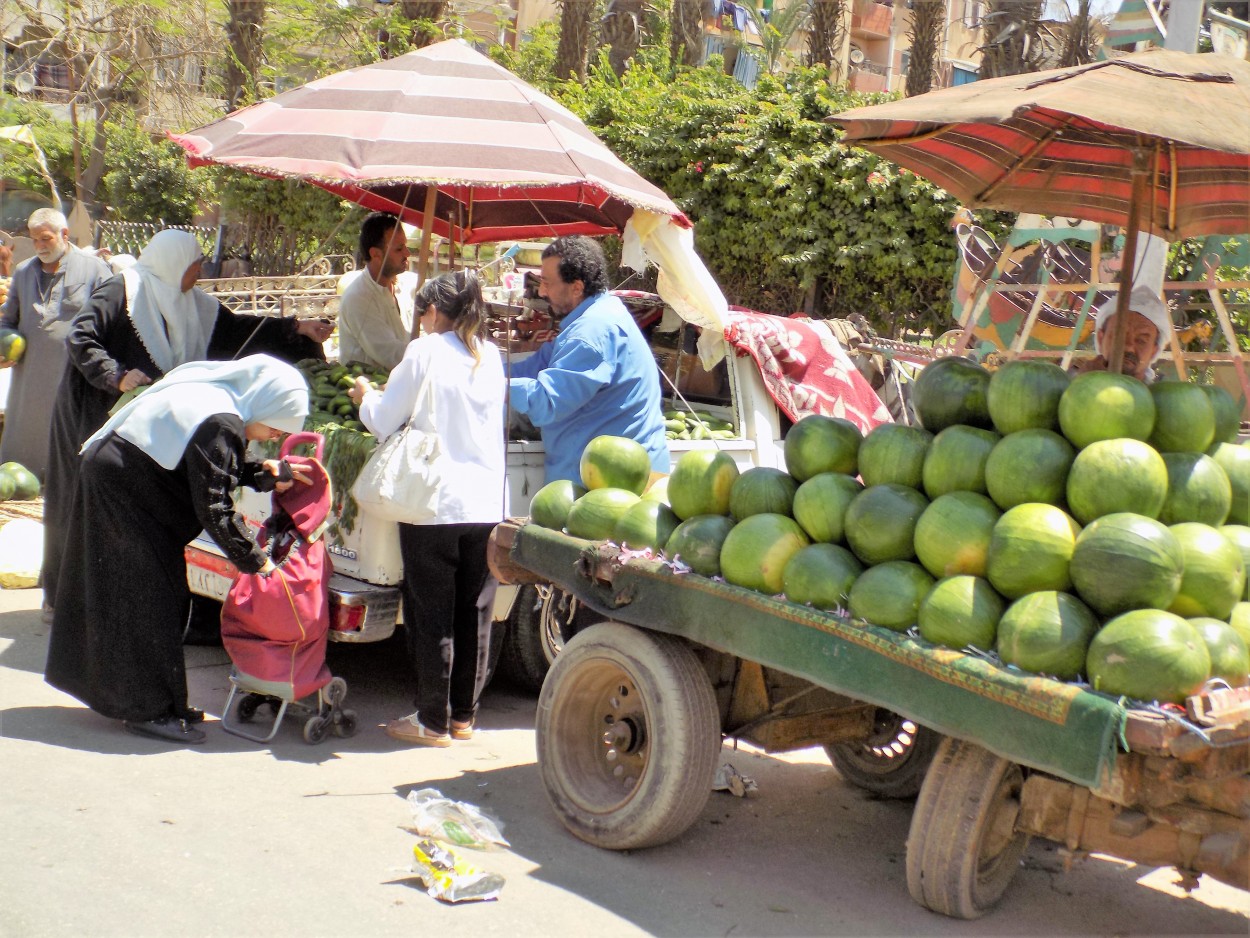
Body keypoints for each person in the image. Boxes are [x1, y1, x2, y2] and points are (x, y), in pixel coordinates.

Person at [39, 229, 333, 619]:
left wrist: (295, 329)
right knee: (82, 503)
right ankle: (65, 598)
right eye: (194, 266)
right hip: (94, 411)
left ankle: (107, 603)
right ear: (172, 262)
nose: (197, 274)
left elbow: (236, 329)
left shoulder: (191, 304)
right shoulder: (122, 289)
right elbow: (81, 336)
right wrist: (117, 374)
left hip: (149, 429)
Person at [44, 355, 311, 745]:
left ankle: (164, 703)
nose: (270, 437)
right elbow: (215, 504)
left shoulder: (219, 402)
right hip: (122, 496)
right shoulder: (221, 419)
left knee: (159, 597)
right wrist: (260, 564)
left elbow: (209, 466)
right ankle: (148, 712)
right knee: (147, 602)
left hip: (125, 488)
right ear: (264, 403)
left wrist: (269, 475)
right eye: (274, 428)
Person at [349, 270, 506, 747]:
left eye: (422, 312)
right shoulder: (492, 355)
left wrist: (363, 396)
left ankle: (431, 721)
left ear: (433, 311)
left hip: (434, 503)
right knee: (474, 612)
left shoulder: (425, 351)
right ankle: (463, 718)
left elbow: (382, 420)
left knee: (431, 613)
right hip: (485, 502)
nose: (420, 321)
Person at [507, 235, 669, 485]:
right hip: (610, 477)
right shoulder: (597, 315)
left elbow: (548, 401)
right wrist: (483, 369)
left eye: (548, 283)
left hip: (618, 483)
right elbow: (540, 363)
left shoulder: (592, 331)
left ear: (577, 287)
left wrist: (495, 387)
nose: (541, 291)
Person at [0, 209, 112, 479]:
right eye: (34, 239)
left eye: (46, 239)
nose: (39, 246)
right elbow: (7, 320)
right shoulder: (25, 271)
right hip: (30, 379)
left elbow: (112, 320)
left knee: (68, 442)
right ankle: (25, 483)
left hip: (74, 376)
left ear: (64, 234)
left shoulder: (95, 270)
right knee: (25, 449)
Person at [337, 212, 414, 370]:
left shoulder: (404, 284)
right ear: (376, 254)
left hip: (396, 383)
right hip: (364, 389)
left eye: (405, 246)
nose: (407, 253)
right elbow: (392, 355)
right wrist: (433, 355)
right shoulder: (358, 298)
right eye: (399, 249)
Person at [1073, 286, 1171, 384]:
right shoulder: (1069, 392)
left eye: (1141, 341)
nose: (1129, 347)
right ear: (1100, 338)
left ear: (1153, 352)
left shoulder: (1156, 398)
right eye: (1119, 336)